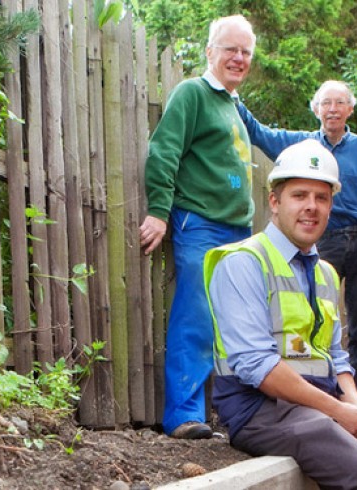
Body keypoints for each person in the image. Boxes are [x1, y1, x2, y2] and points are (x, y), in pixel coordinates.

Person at [205, 139, 357, 489]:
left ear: (331, 206)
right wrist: (337, 411)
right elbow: (259, 367)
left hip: (316, 406)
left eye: (322, 198)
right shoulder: (244, 263)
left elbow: (335, 356)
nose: (311, 207)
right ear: (274, 201)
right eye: (299, 195)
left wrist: (356, 408)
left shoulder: (325, 273)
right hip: (258, 409)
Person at [236, 80, 357, 403]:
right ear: (316, 109)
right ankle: (311, 391)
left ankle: (356, 397)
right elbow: (259, 133)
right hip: (325, 239)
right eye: (326, 103)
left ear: (350, 109)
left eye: (340, 103)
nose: (333, 109)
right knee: (313, 315)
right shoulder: (302, 146)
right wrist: (233, 95)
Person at [140, 15, 258, 440]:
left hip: (238, 230)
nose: (239, 58)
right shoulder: (193, 93)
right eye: (231, 49)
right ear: (210, 52)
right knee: (198, 317)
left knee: (239, 327)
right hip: (202, 223)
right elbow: (164, 149)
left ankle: (236, 414)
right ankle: (184, 415)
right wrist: (158, 210)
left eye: (246, 52)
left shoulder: (233, 106)